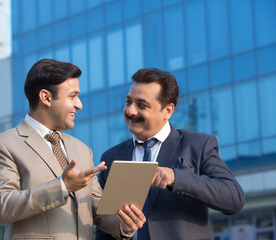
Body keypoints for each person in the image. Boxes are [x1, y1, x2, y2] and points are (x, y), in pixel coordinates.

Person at [0, 59, 145, 240]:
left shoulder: (82, 150)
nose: (79, 104)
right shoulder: (2, 145)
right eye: (72, 96)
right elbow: (1, 207)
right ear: (46, 98)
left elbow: (97, 209)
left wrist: (124, 225)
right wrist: (62, 186)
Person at [96, 68, 245, 240]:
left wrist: (177, 178)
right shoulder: (111, 157)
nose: (130, 111)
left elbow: (234, 198)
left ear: (168, 110)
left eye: (141, 105)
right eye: (128, 102)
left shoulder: (198, 145)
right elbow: (104, 228)